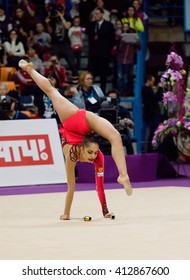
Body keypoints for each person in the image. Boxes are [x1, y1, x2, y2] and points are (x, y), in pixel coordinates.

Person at [18, 59, 132, 220]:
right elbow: (71, 187)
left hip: (83, 123)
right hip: (73, 120)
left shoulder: (97, 157)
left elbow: (100, 186)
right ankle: (30, 70)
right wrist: (67, 213)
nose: (94, 156)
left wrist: (105, 211)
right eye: (91, 153)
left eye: (94, 153)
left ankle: (123, 175)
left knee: (115, 135)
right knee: (52, 91)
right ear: (83, 148)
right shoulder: (72, 156)